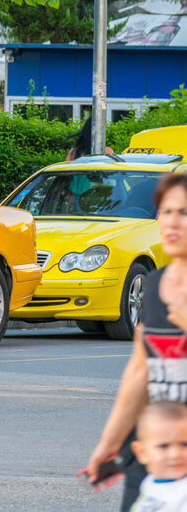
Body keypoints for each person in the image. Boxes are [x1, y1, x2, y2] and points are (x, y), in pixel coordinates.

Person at [85, 171, 187, 510]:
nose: (171, 222)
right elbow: (139, 374)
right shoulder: (156, 285)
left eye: (183, 213)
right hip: (154, 446)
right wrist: (109, 443)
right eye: (166, 211)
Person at [129, 401, 187, 510]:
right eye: (163, 446)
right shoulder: (150, 482)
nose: (175, 454)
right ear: (142, 453)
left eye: (184, 444)